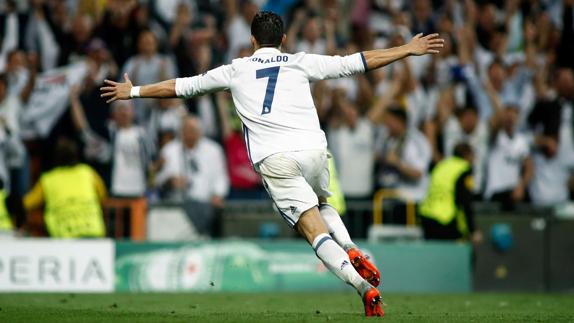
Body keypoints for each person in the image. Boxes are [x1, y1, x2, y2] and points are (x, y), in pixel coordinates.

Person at [101, 11, 444, 317]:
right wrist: (405, 50)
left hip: (275, 158)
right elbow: (356, 61)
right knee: (322, 203)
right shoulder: (300, 61)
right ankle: (352, 246)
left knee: (312, 229)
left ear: (252, 41)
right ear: (283, 40)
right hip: (313, 150)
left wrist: (133, 92)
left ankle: (362, 287)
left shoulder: (235, 69)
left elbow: (183, 88)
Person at [24, 138, 107, 238]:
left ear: (55, 157)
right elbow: (102, 194)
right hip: (93, 233)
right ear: (76, 155)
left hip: (64, 238)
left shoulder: (48, 179)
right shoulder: (87, 172)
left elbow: (28, 204)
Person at [419, 143, 483, 245]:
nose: (474, 159)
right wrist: (472, 230)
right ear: (466, 155)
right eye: (472, 155)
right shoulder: (464, 169)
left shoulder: (441, 165)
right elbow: (465, 201)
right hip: (446, 220)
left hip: (427, 216)